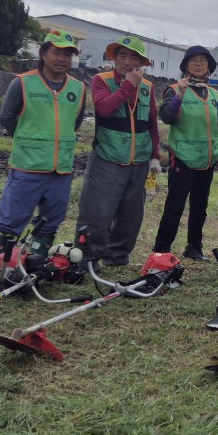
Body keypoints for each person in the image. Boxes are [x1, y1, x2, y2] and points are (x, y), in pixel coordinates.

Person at [0, 30, 87, 276]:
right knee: (9, 224)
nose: (62, 58)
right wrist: (28, 142)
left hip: (61, 170)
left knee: (49, 224)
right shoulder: (22, 82)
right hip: (27, 168)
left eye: (67, 54)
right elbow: (7, 118)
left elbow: (75, 122)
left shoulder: (78, 88)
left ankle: (34, 272)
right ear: (43, 54)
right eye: (56, 52)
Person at [77, 35, 162, 267]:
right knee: (97, 212)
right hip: (108, 158)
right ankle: (87, 259)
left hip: (140, 161)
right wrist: (127, 85)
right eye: (122, 55)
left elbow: (152, 124)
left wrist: (155, 156)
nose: (127, 61)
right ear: (114, 58)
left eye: (133, 56)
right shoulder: (101, 81)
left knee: (131, 215)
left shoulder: (148, 88)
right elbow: (104, 109)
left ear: (142, 62)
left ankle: (118, 256)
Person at [151, 45, 218, 261]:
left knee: (200, 206)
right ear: (186, 66)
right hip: (182, 157)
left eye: (203, 60)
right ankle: (161, 249)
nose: (199, 64)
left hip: (207, 158)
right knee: (175, 205)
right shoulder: (174, 89)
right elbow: (167, 117)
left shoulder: (213, 93)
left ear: (209, 66)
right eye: (194, 60)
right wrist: (179, 95)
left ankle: (194, 246)